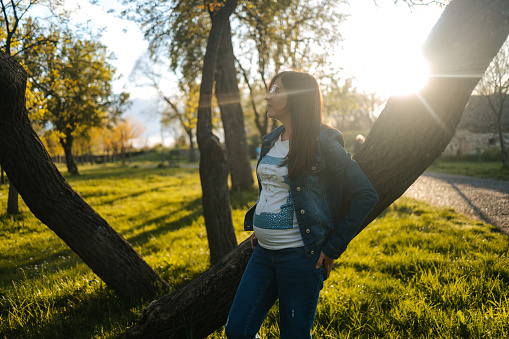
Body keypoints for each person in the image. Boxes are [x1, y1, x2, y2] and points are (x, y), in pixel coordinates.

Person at [225, 71, 378, 339]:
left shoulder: (324, 140)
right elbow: (273, 188)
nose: (267, 96)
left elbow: (366, 194)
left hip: (300, 258)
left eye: (275, 90)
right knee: (238, 330)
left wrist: (333, 247)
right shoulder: (271, 139)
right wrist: (262, 226)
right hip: (262, 253)